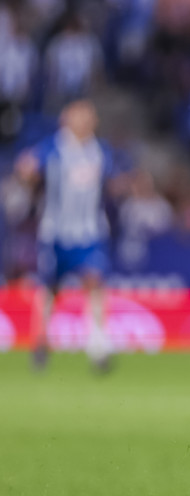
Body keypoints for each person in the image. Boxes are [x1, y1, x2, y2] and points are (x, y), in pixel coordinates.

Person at [14, 99, 122, 372]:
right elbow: (29, 166)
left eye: (89, 116)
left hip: (90, 232)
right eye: (79, 116)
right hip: (56, 233)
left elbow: (113, 181)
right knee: (50, 288)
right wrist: (27, 172)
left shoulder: (100, 150)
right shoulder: (53, 147)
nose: (85, 121)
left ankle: (98, 345)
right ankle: (41, 341)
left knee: (94, 282)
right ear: (67, 119)